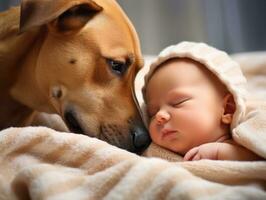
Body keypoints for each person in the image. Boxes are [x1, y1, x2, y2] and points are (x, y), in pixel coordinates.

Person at [141, 41, 262, 161]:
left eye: (178, 102)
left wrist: (221, 153)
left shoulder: (246, 141)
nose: (159, 115)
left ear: (228, 108)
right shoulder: (152, 155)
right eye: (152, 113)